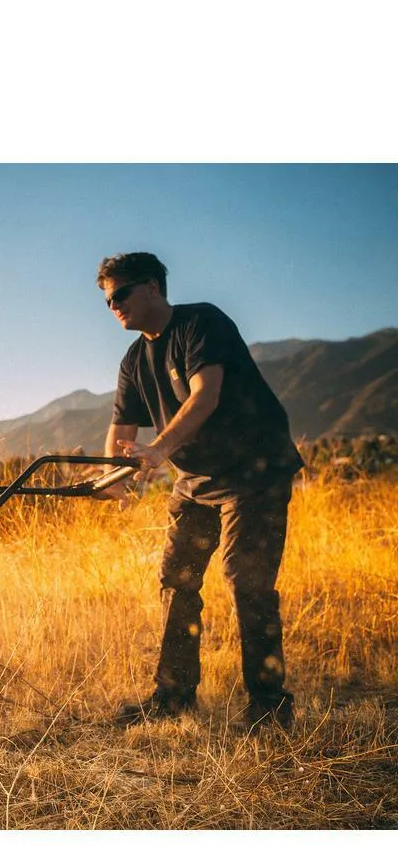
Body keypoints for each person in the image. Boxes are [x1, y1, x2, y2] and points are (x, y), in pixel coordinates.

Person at [96, 252, 303, 730]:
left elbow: (204, 395)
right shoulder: (134, 359)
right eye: (107, 301)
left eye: (120, 294)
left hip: (254, 473)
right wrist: (112, 479)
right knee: (177, 580)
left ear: (151, 288)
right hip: (196, 481)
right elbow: (120, 432)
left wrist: (159, 450)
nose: (113, 306)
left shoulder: (200, 324)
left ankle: (270, 707)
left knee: (246, 581)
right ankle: (174, 696)